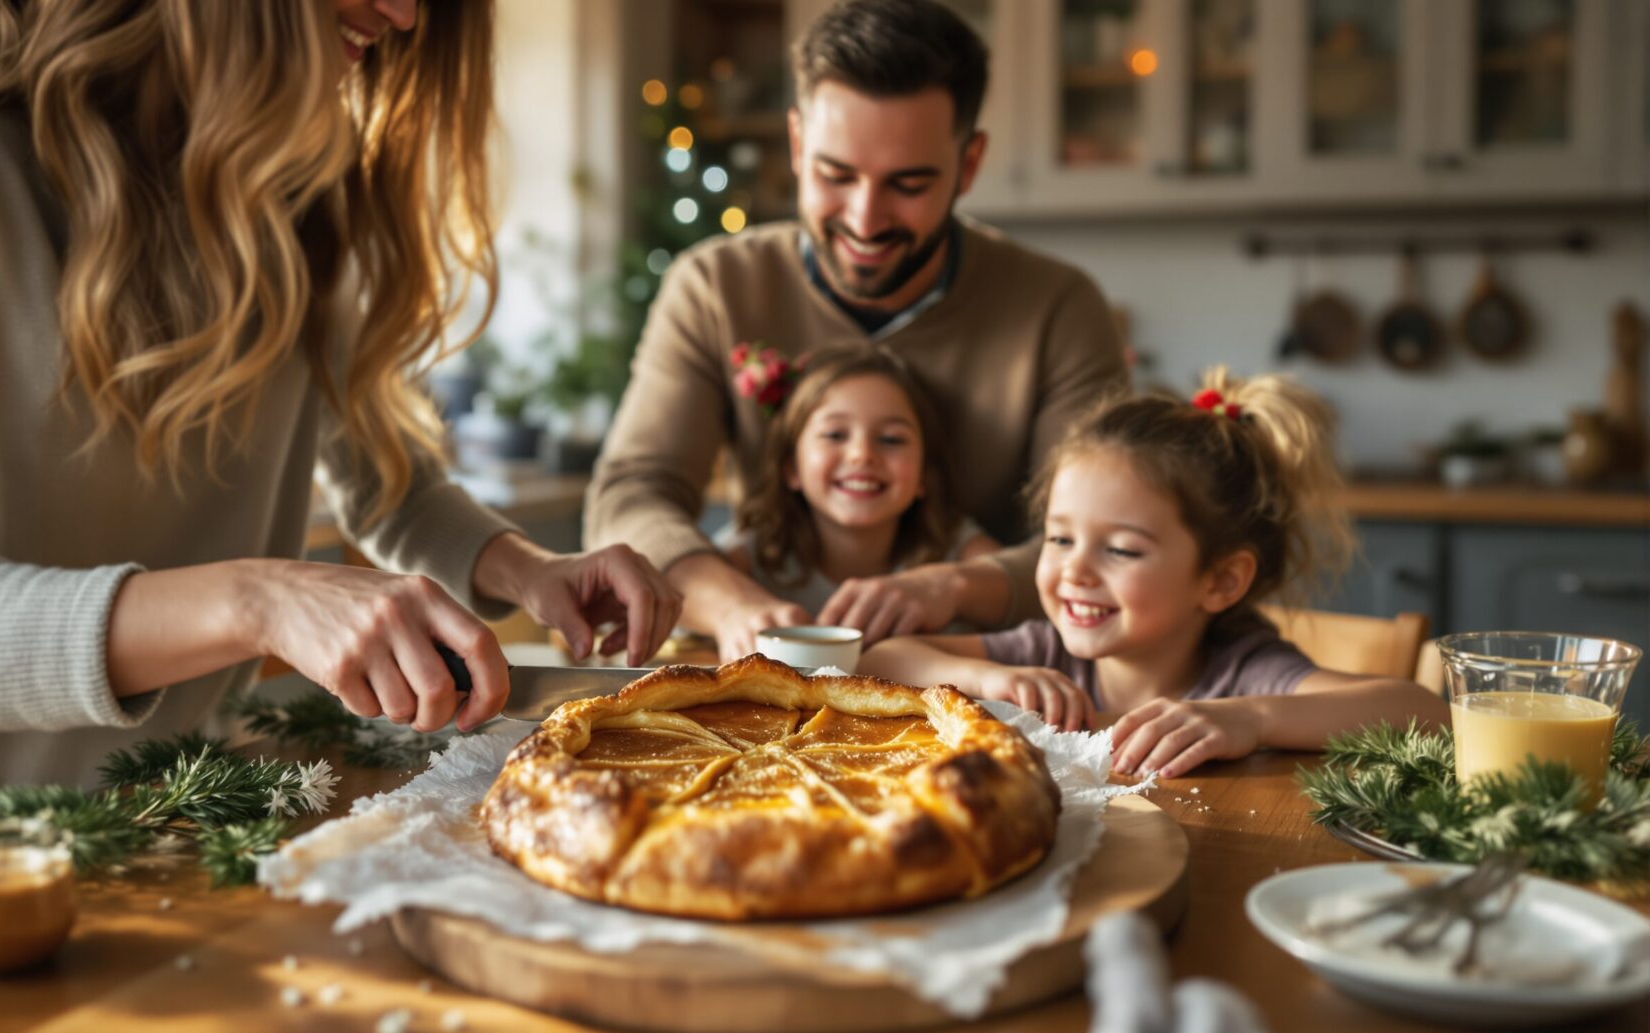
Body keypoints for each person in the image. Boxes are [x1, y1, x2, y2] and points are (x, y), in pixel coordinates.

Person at [0, 0, 679, 902]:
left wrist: (527, 567)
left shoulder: (284, 146)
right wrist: (258, 600)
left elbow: (388, 479)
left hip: (157, 834)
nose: (405, 15)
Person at [586, 0, 1128, 662]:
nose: (866, 220)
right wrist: (729, 601)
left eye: (909, 184)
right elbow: (630, 494)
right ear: (795, 143)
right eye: (834, 175)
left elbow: (1107, 539)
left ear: (970, 163)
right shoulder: (715, 286)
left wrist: (955, 585)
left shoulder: (1059, 307)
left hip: (985, 675)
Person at [859, 369, 1448, 779]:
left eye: (1121, 550)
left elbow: (1429, 715)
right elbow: (881, 660)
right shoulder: (1040, 654)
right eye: (1060, 538)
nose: (1075, 571)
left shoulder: (1244, 674)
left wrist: (1252, 717)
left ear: (1219, 581)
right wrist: (983, 679)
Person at [721, 342, 998, 618]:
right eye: (835, 435)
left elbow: (1027, 591)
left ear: (924, 473)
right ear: (791, 466)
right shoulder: (750, 554)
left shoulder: (955, 547)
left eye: (891, 439)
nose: (862, 454)